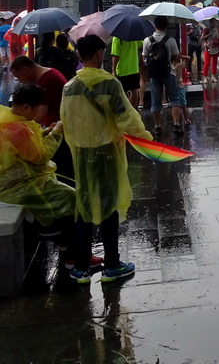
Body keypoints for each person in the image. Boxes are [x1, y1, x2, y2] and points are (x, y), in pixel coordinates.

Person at [60, 34, 151, 284]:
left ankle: (81, 268)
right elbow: (127, 118)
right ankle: (112, 265)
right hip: (107, 152)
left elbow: (65, 121)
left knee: (84, 207)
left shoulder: (69, 87)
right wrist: (146, 138)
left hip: (81, 154)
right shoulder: (110, 84)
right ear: (100, 53)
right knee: (109, 205)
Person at [0, 84, 94, 271]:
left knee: (70, 187)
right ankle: (75, 256)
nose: (39, 114)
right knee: (77, 199)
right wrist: (58, 132)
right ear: (27, 107)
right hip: (19, 187)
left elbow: (27, 148)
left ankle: (65, 243)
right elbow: (41, 156)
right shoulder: (17, 128)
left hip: (18, 181)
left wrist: (46, 132)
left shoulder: (6, 120)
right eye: (37, 109)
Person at [10, 54, 72, 180]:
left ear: (25, 69)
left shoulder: (47, 81)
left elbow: (38, 116)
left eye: (18, 77)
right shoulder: (48, 75)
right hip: (56, 128)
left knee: (62, 172)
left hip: (60, 131)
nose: (20, 81)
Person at [142, 16, 179, 135]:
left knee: (155, 100)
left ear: (155, 25)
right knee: (174, 99)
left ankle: (157, 126)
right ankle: (176, 124)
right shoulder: (171, 40)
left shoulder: (147, 40)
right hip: (169, 72)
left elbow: (144, 58)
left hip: (154, 74)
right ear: (166, 26)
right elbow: (176, 58)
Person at [109, 35, 144, 111]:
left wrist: (113, 70)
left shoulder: (117, 38)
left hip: (122, 70)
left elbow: (115, 56)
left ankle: (126, 110)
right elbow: (142, 44)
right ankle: (133, 110)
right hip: (134, 68)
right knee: (134, 90)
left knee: (122, 92)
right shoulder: (134, 36)